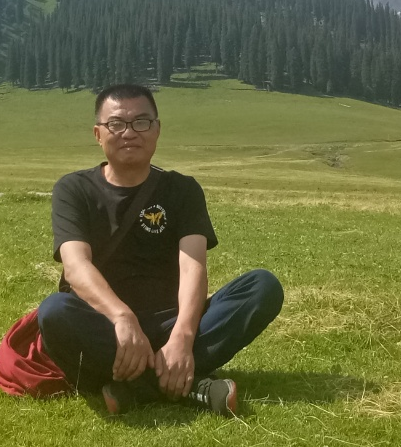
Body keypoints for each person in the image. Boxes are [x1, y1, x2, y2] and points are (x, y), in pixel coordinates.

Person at [37, 83, 283, 416]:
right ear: (98, 134)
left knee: (262, 287)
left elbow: (193, 265)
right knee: (55, 312)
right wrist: (122, 317)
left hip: (171, 322)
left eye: (141, 122)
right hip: (106, 327)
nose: (129, 132)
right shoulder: (74, 189)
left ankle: (137, 388)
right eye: (116, 124)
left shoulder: (182, 190)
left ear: (156, 129)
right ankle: (184, 383)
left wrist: (182, 336)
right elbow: (76, 267)